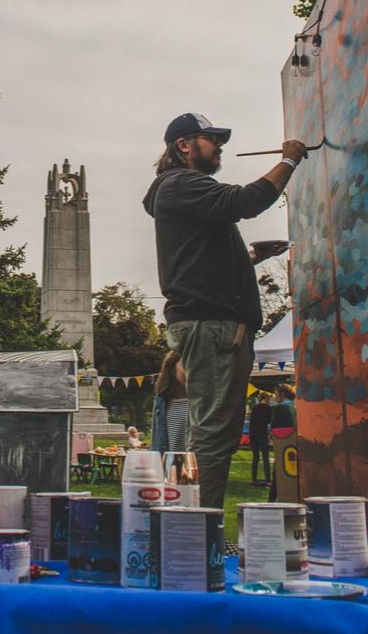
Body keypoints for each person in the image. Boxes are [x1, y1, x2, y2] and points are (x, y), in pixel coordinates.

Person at [143, 113, 305, 509]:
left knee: (212, 432)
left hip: (208, 323)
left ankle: (189, 527)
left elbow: (201, 265)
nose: (219, 147)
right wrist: (289, 160)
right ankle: (196, 533)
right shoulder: (182, 183)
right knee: (213, 435)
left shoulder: (181, 193)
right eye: (211, 139)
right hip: (213, 326)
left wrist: (249, 257)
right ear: (184, 145)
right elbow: (246, 201)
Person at [150, 349, 189, 453]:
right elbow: (155, 439)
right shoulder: (161, 401)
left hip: (192, 464)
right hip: (168, 465)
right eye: (185, 364)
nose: (190, 370)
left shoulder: (198, 401)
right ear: (172, 365)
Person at [268, 384, 296, 502]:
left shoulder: (279, 409)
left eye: (276, 395)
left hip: (281, 443)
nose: (275, 397)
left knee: (278, 472)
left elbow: (273, 428)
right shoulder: (294, 409)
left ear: (282, 394)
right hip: (292, 444)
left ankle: (271, 500)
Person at [249, 392, 273, 486]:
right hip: (262, 434)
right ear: (266, 398)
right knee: (265, 457)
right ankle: (268, 479)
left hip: (253, 434)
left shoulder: (255, 408)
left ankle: (253, 479)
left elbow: (252, 421)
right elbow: (269, 420)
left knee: (255, 457)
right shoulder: (267, 408)